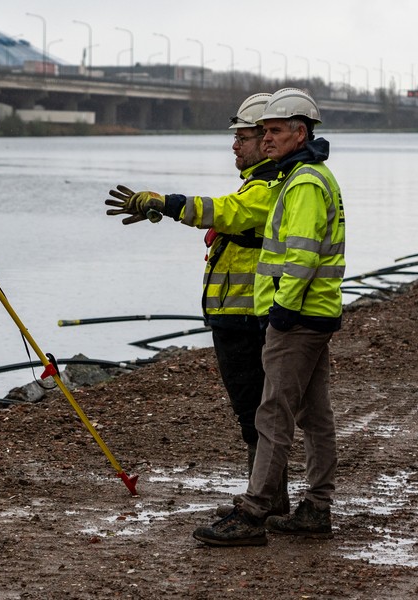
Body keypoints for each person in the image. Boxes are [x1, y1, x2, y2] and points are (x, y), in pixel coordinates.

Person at [105, 92, 289, 518]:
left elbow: (225, 212)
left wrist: (165, 203)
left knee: (255, 413)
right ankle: (267, 496)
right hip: (237, 315)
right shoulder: (263, 185)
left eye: (242, 137)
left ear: (264, 139)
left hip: (247, 318)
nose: (234, 146)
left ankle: (265, 502)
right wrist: (166, 212)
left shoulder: (270, 187)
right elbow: (230, 219)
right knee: (254, 412)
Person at [189, 88, 346, 546]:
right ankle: (316, 507)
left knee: (273, 412)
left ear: (300, 133)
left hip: (295, 319)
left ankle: (256, 512)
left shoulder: (303, 184)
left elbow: (299, 257)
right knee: (314, 414)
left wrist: (280, 312)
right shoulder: (306, 177)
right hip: (313, 315)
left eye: (275, 130)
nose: (266, 138)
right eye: (263, 131)